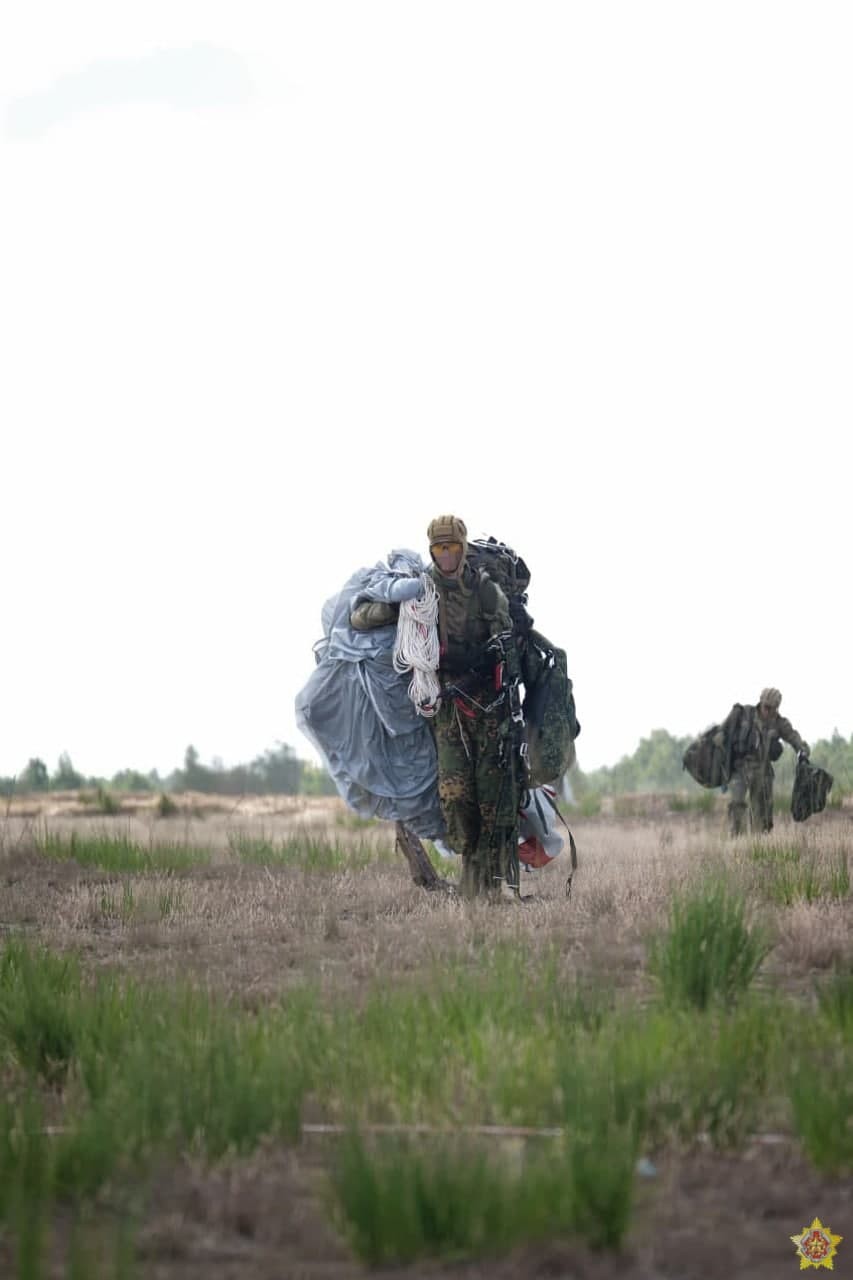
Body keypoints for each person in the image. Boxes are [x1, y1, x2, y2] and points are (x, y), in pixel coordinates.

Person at [426, 514, 526, 899]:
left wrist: (480, 662)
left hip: (489, 706)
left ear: (463, 548)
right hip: (448, 709)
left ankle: (490, 887)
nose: (446, 555)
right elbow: (385, 617)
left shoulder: (484, 590)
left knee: (492, 798)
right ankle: (472, 877)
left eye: (452, 546)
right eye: (439, 548)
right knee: (454, 798)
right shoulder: (423, 590)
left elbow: (506, 643)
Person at [716, 687, 809, 835]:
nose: (768, 711)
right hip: (740, 767)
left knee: (762, 811)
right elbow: (722, 732)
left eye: (772, 708)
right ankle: (737, 840)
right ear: (761, 703)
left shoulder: (779, 723)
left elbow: (793, 737)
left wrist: (802, 752)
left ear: (777, 708)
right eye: (766, 706)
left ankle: (759, 844)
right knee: (737, 804)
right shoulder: (744, 714)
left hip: (763, 770)